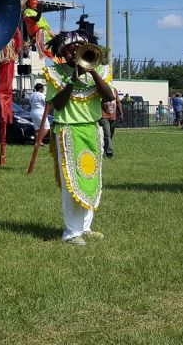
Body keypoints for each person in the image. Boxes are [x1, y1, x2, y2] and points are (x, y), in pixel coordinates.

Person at [43, 31, 114, 246]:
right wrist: (72, 81)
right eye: (71, 48)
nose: (76, 50)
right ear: (62, 53)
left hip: (92, 130)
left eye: (80, 46)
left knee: (90, 178)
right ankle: (72, 232)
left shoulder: (100, 70)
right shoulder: (54, 73)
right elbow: (57, 105)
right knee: (71, 183)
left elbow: (109, 96)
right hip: (67, 131)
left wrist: (92, 73)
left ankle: (85, 227)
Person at [99, 86, 121, 158]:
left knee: (110, 135)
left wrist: (121, 113)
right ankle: (110, 153)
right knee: (107, 134)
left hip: (113, 116)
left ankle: (104, 151)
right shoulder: (102, 89)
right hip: (103, 116)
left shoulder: (114, 90)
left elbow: (118, 102)